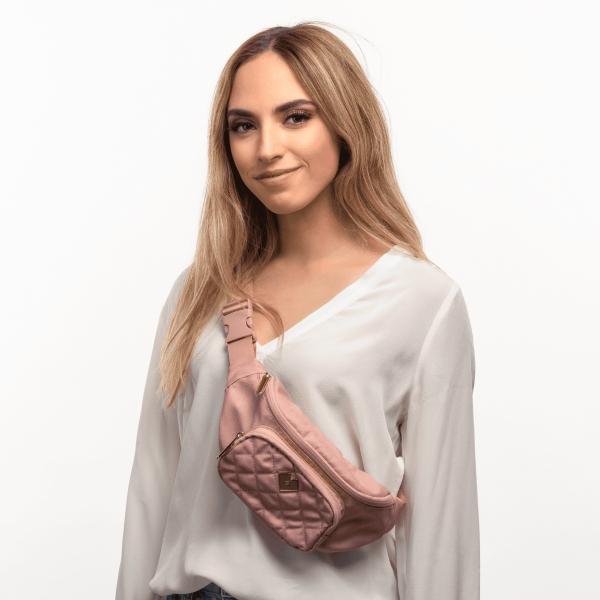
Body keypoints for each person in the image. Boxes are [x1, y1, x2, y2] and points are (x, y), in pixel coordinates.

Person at [115, 21, 480, 600]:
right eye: (243, 125)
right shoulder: (200, 290)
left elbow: (440, 527)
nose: (266, 149)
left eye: (295, 117)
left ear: (345, 123)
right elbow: (153, 486)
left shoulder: (421, 300)